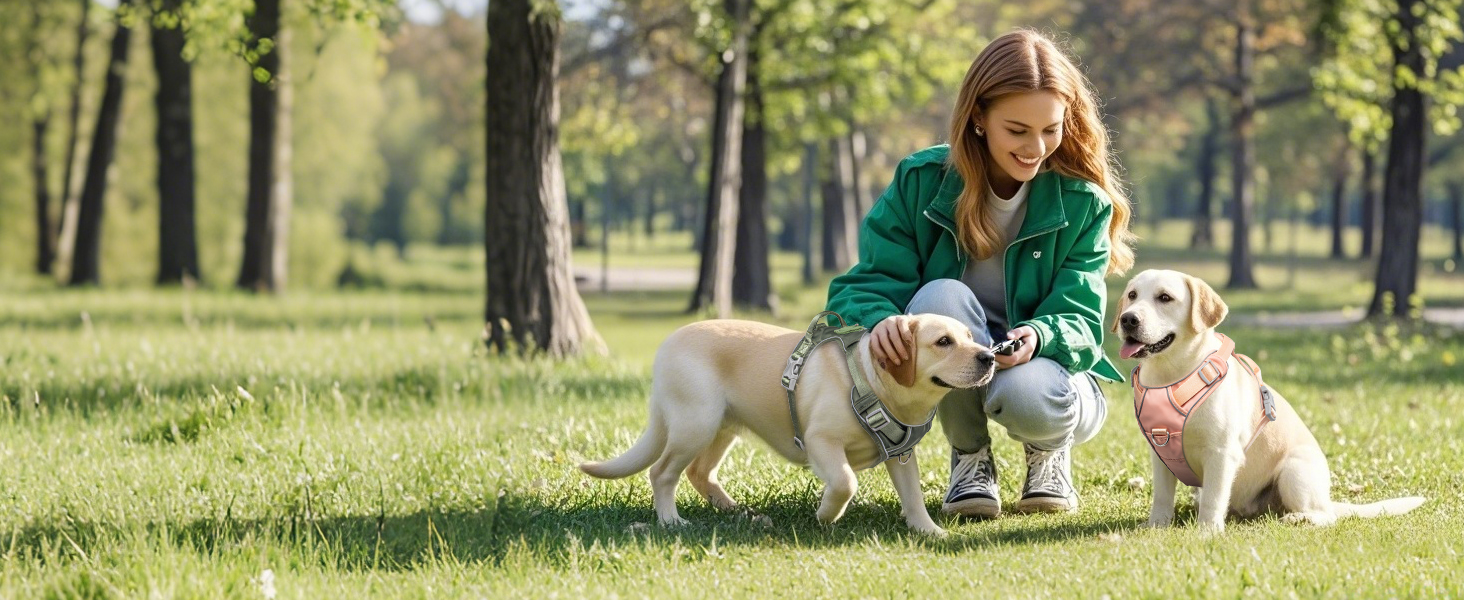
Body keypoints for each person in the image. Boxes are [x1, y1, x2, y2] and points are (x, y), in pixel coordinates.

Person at [824, 29, 1135, 518]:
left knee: (1027, 392)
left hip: (1050, 378)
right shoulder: (922, 180)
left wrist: (1039, 334)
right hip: (958, 363)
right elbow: (864, 285)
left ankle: (1048, 454)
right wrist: (880, 319)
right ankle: (969, 457)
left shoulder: (1083, 203)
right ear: (978, 118)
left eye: (1050, 129)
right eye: (1017, 130)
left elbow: (1079, 317)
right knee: (939, 299)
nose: (1036, 147)